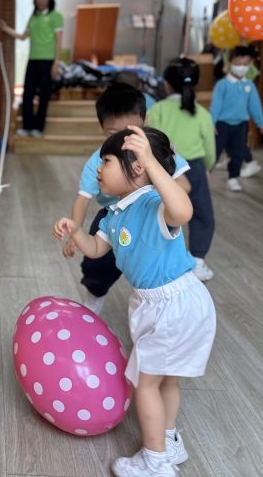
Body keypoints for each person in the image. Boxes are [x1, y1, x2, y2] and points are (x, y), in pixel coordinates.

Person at [54, 127, 216, 477]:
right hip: (167, 304)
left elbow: (183, 211)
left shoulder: (154, 203)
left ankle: (155, 462)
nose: (98, 169)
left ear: (138, 167)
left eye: (106, 161)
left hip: (173, 305)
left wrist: (152, 164)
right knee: (167, 381)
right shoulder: (115, 214)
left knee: (146, 384)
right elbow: (96, 250)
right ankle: (169, 442)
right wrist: (76, 231)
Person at [63, 83, 190, 314]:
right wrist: (76, 231)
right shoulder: (100, 160)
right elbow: (83, 199)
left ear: (144, 120)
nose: (123, 141)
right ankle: (95, 293)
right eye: (114, 134)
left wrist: (155, 177)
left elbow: (183, 186)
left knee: (155, 256)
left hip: (150, 212)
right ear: (102, 127)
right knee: (96, 265)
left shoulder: (153, 150)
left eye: (130, 132)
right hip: (113, 214)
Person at [148, 58, 216, 281]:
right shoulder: (202, 113)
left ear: (166, 84)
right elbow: (210, 148)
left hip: (164, 167)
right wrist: (208, 168)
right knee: (202, 215)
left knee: (160, 212)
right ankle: (197, 262)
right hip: (194, 168)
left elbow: (150, 140)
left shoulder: (157, 109)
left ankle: (159, 262)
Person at [0, 0, 63, 138]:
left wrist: (56, 63)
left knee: (44, 96)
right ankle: (27, 127)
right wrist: (5, 28)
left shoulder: (56, 16)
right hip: (32, 60)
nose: (41, 0)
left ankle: (38, 128)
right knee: (27, 94)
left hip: (48, 61)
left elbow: (59, 40)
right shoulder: (33, 17)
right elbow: (22, 36)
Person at [210, 45, 263, 192]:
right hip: (222, 124)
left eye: (245, 64)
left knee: (238, 152)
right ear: (230, 63)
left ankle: (233, 178)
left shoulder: (249, 85)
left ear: (250, 65)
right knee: (215, 151)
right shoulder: (222, 85)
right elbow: (215, 106)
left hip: (241, 124)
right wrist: (211, 123)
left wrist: (261, 122)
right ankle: (205, 175)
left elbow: (255, 105)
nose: (241, 67)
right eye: (238, 63)